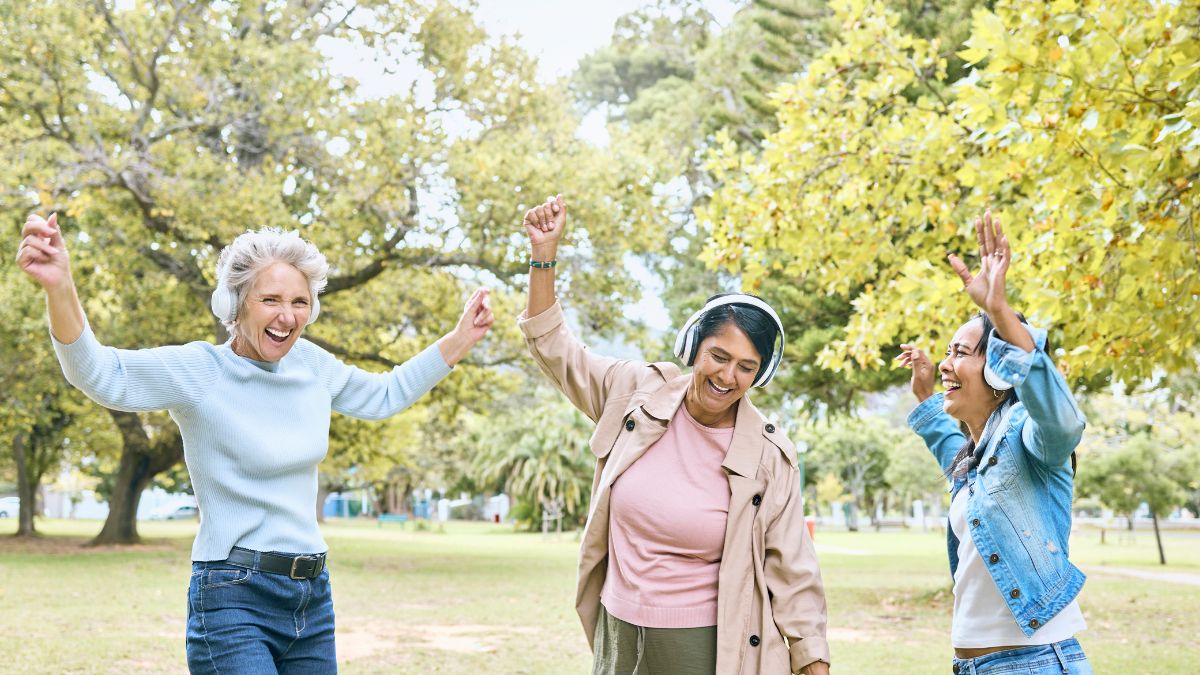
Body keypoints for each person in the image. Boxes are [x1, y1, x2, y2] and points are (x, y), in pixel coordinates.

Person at [16, 213, 494, 673]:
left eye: (300, 302)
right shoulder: (200, 371)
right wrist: (61, 287)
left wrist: (459, 338)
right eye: (270, 300)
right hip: (232, 596)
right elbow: (99, 374)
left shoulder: (312, 365)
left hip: (312, 594)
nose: (287, 317)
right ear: (234, 303)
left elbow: (385, 394)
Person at [517, 195, 829, 675]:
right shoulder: (633, 393)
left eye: (746, 367)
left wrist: (813, 662)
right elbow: (555, 348)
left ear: (759, 376)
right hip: (616, 631)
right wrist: (544, 256)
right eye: (718, 356)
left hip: (703, 647)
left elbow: (793, 569)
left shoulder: (768, 455)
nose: (728, 377)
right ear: (693, 347)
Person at [897, 212, 1091, 674]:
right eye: (947, 353)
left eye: (960, 353)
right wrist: (926, 396)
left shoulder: (1031, 436)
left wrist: (999, 313)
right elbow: (949, 448)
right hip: (974, 666)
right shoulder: (976, 457)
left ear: (999, 370)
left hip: (1035, 661)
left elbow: (1063, 420)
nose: (946, 363)